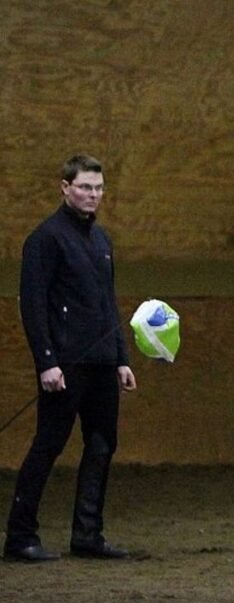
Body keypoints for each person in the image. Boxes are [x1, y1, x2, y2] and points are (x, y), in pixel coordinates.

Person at [3, 154, 136, 563]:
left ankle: (88, 534)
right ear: (65, 188)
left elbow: (107, 305)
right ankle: (20, 536)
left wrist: (121, 359)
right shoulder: (45, 239)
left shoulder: (102, 241)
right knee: (48, 444)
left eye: (97, 188)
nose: (92, 195)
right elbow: (34, 305)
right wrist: (46, 361)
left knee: (101, 445)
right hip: (65, 364)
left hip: (100, 363)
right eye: (84, 187)